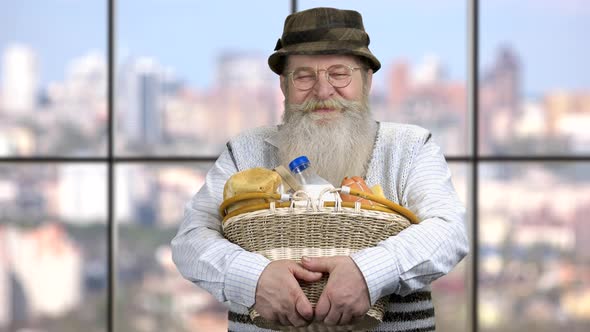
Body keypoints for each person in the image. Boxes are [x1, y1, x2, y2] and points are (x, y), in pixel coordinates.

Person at [172, 7, 469, 331]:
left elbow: (449, 231)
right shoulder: (245, 151)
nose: (323, 90)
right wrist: (254, 279)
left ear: (367, 81)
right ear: (284, 85)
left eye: (339, 73)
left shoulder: (410, 147)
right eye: (304, 76)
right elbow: (190, 241)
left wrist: (368, 274)